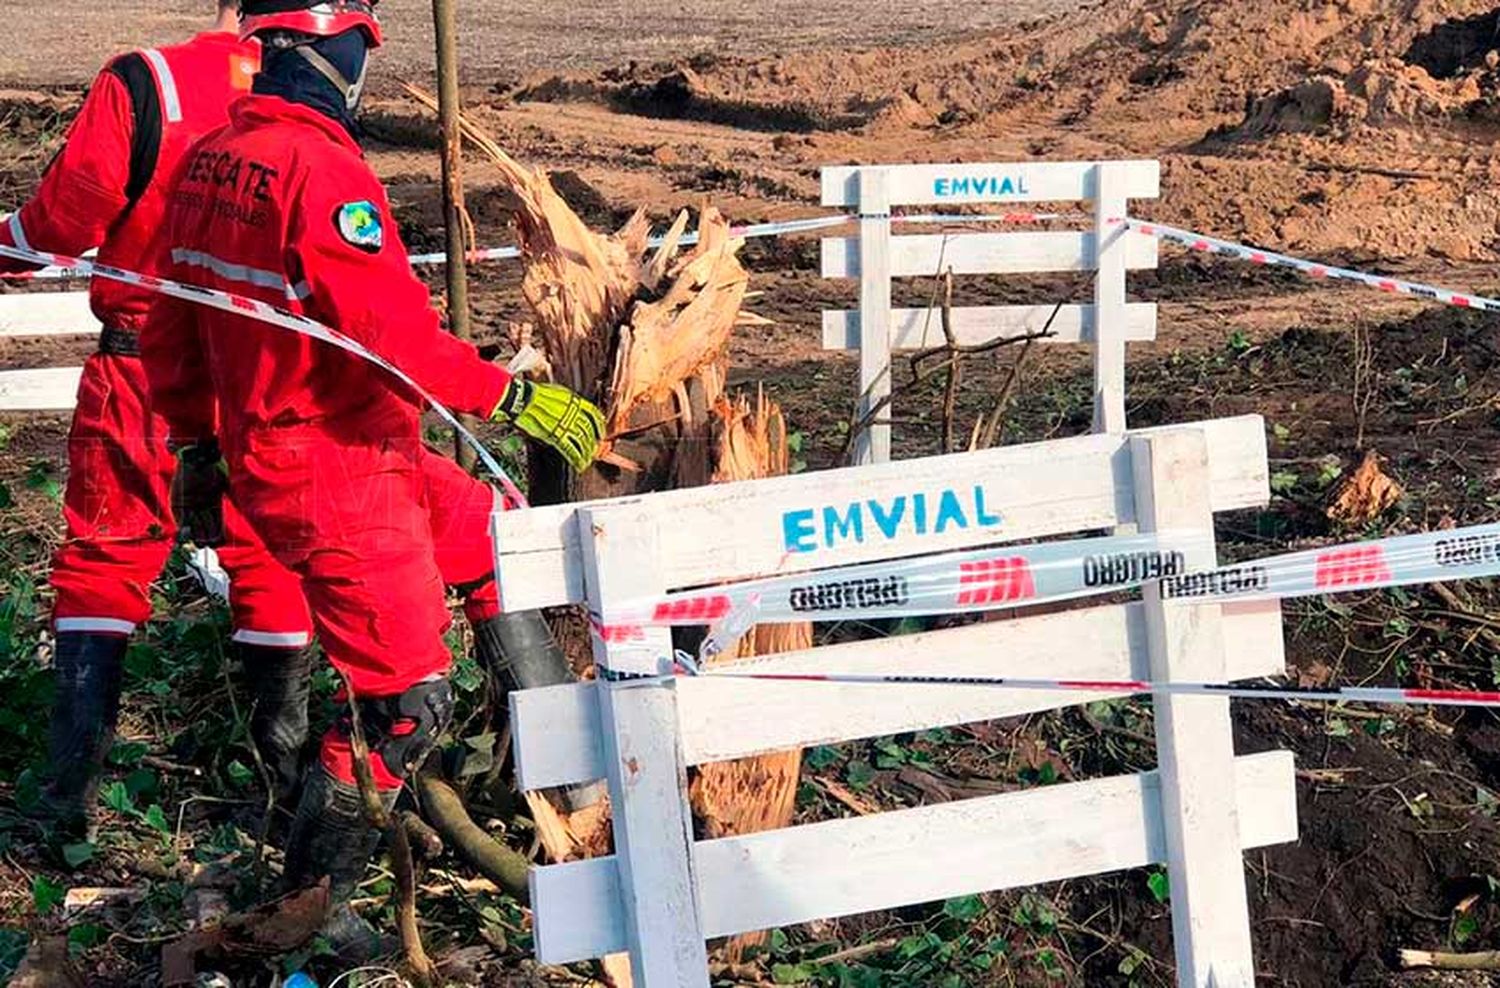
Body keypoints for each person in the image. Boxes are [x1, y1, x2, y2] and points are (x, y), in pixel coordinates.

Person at [140, 0, 606, 944]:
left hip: (320, 447)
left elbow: (172, 329)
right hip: (337, 467)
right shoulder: (322, 171)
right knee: (402, 706)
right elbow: (387, 336)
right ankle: (307, 913)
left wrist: (196, 448)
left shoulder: (210, 163)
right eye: (358, 51)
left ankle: (579, 780)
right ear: (333, 53)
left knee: (489, 538)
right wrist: (510, 398)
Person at [0, 1, 320, 841]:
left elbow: (61, 226)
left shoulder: (149, 81)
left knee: (106, 554)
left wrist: (7, 243)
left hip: (142, 365)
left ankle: (66, 802)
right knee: (270, 558)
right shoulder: (314, 96)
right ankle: (282, 804)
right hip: (263, 375)